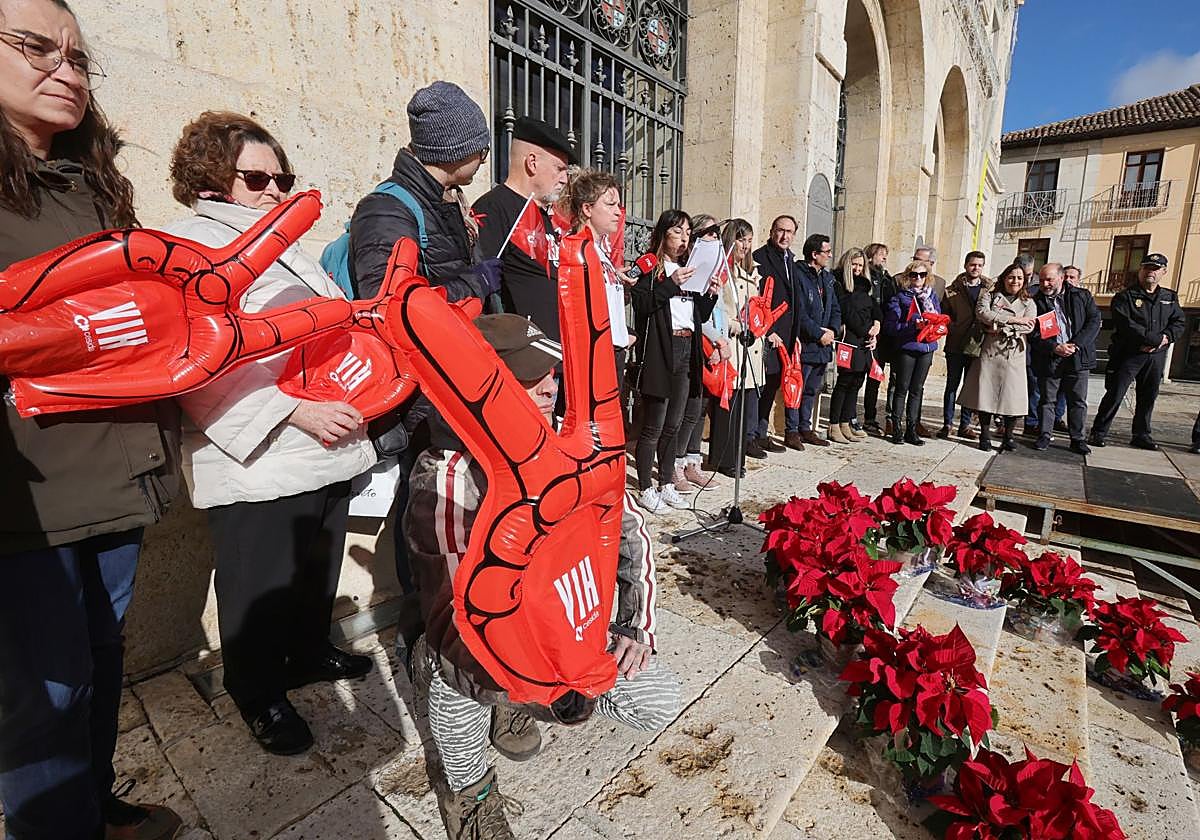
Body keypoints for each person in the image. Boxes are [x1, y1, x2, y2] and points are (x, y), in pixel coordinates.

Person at [0, 2, 183, 837]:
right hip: (26, 498)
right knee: (47, 694)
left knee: (103, 664)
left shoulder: (93, 185)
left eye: (78, 58)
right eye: (35, 47)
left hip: (118, 474)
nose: (65, 71)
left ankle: (94, 810)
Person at [404, 314, 680, 840]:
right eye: (531, 378)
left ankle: (513, 706)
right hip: (485, 649)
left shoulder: (572, 449)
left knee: (659, 703)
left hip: (569, 632)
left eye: (552, 373)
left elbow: (631, 534)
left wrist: (632, 628)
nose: (552, 386)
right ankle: (470, 794)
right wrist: (539, 689)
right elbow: (460, 619)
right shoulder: (445, 479)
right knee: (459, 687)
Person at [164, 112, 378, 756]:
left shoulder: (284, 244)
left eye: (282, 177)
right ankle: (257, 693)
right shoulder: (189, 248)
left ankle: (309, 651)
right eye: (256, 178)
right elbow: (190, 359)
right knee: (258, 583)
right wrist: (290, 412)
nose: (275, 190)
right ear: (210, 179)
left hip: (326, 442)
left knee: (316, 565)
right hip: (261, 454)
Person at [347, 80, 497, 655]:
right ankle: (430, 646)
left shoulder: (448, 206)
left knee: (464, 519)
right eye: (477, 144)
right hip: (420, 403)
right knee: (428, 529)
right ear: (450, 147)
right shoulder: (386, 208)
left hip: (460, 389)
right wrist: (471, 281)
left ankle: (468, 626)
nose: (484, 156)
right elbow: (390, 304)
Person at [631, 210, 720, 514]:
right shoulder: (650, 266)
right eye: (678, 232)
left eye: (687, 233)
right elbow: (641, 303)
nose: (684, 238)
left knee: (674, 423)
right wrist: (669, 283)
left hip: (687, 347)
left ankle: (666, 482)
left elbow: (699, 315)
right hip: (661, 349)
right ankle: (645, 487)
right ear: (663, 234)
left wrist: (709, 295)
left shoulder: (690, 268)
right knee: (654, 426)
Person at [473, 116, 576, 339]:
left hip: (555, 356)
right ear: (532, 162)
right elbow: (483, 295)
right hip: (523, 362)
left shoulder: (541, 213)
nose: (564, 179)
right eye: (559, 168)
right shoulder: (494, 208)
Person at [1088, 253, 1186, 451]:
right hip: (1129, 354)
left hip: (1156, 356)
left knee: (1148, 395)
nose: (1150, 272)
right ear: (1140, 270)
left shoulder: (1169, 297)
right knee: (1115, 394)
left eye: (1155, 269)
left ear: (1163, 272)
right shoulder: (1125, 297)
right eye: (1147, 268)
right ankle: (1098, 432)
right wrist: (1154, 340)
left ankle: (1141, 434)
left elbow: (1179, 322)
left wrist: (1165, 338)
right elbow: (1127, 325)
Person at [670, 213, 727, 492]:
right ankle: (675, 465)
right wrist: (716, 340)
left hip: (710, 344)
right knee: (681, 411)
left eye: (717, 235)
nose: (713, 239)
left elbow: (713, 311)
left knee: (697, 409)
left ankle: (693, 462)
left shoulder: (713, 267)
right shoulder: (683, 268)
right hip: (696, 341)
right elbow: (695, 317)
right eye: (708, 233)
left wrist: (713, 293)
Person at [957, 263, 1038, 452]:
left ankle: (1008, 437)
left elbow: (1030, 326)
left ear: (1024, 281)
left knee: (1013, 398)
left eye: (1019, 278)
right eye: (1011, 277)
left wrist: (999, 324)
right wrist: (1014, 320)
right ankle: (984, 436)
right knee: (985, 395)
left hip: (1014, 353)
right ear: (1004, 278)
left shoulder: (1029, 302)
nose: (1015, 281)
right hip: (990, 351)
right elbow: (983, 313)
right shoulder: (990, 296)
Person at [712, 218, 767, 477]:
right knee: (729, 405)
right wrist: (734, 325)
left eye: (748, 240)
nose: (745, 245)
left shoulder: (753, 271)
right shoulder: (723, 271)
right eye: (741, 239)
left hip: (751, 345)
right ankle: (725, 458)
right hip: (732, 342)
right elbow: (719, 308)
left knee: (744, 404)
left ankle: (739, 455)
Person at [1030, 263, 1101, 455]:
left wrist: (1076, 344)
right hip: (1050, 357)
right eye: (1042, 279)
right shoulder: (1035, 302)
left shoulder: (1081, 296)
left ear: (1061, 278)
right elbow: (1033, 334)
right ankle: (1044, 434)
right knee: (1047, 399)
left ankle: (1077, 439)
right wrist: (1055, 347)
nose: (1045, 283)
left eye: (1049, 279)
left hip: (1078, 356)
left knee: (1077, 400)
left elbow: (1094, 322)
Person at [752, 215, 801, 451]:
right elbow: (756, 297)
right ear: (772, 231)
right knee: (760, 386)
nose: (785, 236)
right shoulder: (760, 258)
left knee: (772, 385)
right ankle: (751, 435)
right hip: (767, 334)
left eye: (789, 232)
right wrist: (768, 329)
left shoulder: (791, 260)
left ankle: (761, 432)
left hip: (787, 336)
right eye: (780, 230)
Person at [790, 233, 842, 447]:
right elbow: (799, 312)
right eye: (826, 252)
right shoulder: (799, 274)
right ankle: (791, 430)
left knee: (813, 389)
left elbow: (835, 308)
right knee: (797, 388)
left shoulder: (827, 278)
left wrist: (832, 330)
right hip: (807, 343)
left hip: (824, 344)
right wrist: (818, 333)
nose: (829, 256)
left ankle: (806, 427)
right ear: (814, 254)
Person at [883, 261, 941, 446]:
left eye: (922, 275)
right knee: (902, 388)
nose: (918, 278)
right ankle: (897, 428)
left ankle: (912, 428)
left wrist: (936, 325)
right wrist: (912, 326)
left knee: (917, 389)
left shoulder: (932, 296)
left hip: (927, 347)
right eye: (914, 275)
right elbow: (891, 326)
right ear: (908, 276)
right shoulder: (900, 297)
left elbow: (939, 316)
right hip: (907, 346)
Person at [828, 249, 881, 444]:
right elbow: (848, 314)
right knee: (845, 381)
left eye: (860, 265)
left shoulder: (865, 286)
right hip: (849, 337)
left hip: (864, 339)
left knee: (857, 381)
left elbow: (875, 308)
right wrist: (868, 328)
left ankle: (845, 422)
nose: (857, 269)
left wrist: (876, 325)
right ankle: (834, 424)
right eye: (854, 264)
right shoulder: (839, 283)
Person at [937, 251, 988, 441]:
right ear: (966, 265)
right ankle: (947, 423)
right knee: (952, 385)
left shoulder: (989, 289)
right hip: (956, 344)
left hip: (977, 344)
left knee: (970, 387)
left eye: (980, 265)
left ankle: (965, 425)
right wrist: (954, 326)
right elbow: (944, 315)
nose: (976, 268)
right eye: (973, 264)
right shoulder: (952, 291)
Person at [861, 242, 897, 436]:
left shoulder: (886, 278)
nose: (884, 258)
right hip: (869, 330)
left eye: (886, 254)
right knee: (860, 375)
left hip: (884, 335)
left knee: (876, 376)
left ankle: (870, 417)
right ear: (870, 256)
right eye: (881, 254)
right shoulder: (867, 277)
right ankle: (857, 417)